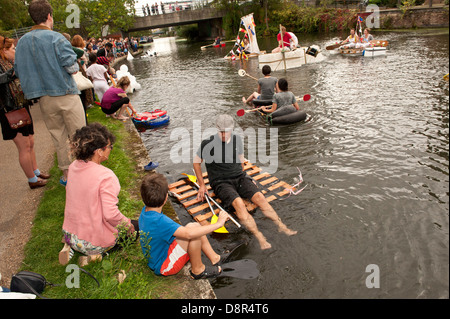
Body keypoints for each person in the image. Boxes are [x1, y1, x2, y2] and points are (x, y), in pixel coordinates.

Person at [194, 114, 297, 250]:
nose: (225, 135)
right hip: (221, 181)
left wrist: (246, 178)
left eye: (227, 131)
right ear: (217, 129)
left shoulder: (236, 139)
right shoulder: (207, 143)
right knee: (239, 204)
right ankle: (260, 237)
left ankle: (281, 227)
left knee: (260, 197)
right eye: (222, 132)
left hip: (239, 177)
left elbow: (241, 159)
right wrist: (202, 185)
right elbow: (196, 163)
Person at [14, 0, 86, 187]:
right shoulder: (56, 38)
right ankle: (84, 171)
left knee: (58, 136)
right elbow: (71, 67)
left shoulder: (21, 43)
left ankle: (67, 174)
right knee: (79, 134)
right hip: (65, 93)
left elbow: (19, 71)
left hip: (43, 98)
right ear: (49, 16)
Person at [59, 123, 138, 266]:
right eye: (109, 147)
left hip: (70, 234)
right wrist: (128, 225)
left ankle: (68, 247)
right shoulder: (106, 176)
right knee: (136, 228)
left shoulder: (73, 167)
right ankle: (97, 255)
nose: (111, 149)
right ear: (99, 151)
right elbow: (110, 215)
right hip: (91, 243)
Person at [139, 173, 230, 279]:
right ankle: (198, 270)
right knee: (193, 233)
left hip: (160, 254)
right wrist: (218, 224)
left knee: (194, 225)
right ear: (166, 198)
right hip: (164, 265)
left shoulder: (146, 211)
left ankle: (215, 258)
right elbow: (188, 234)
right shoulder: (159, 221)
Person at [0, 36, 50, 189]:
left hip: (20, 104)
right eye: (11, 48)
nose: (14, 51)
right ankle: (32, 179)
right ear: (3, 50)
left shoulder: (8, 63)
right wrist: (14, 72)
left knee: (30, 142)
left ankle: (35, 171)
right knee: (24, 146)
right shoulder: (7, 67)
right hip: (10, 110)